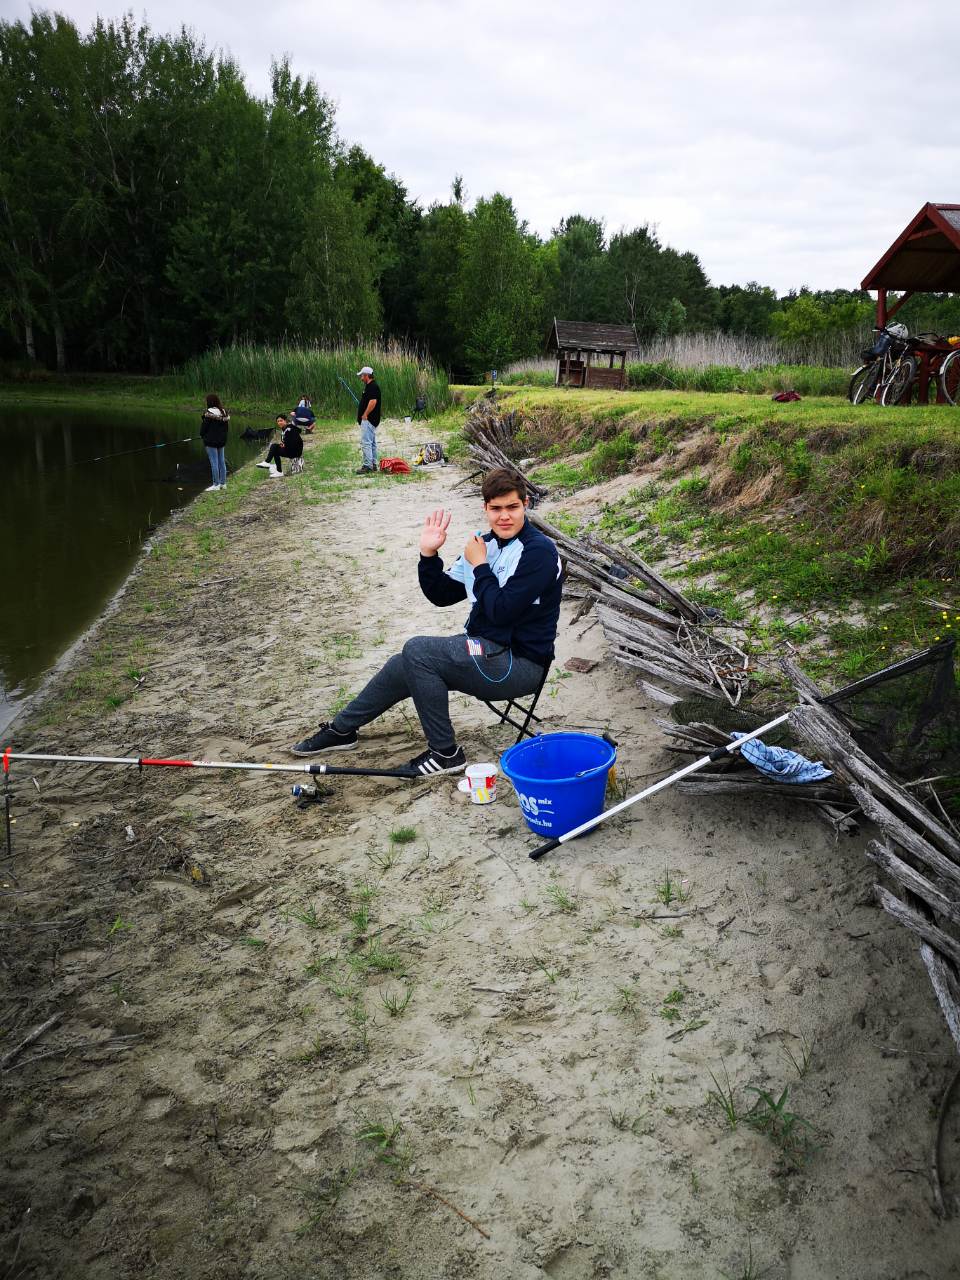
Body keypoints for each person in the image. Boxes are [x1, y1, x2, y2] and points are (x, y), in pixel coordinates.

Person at [292, 469, 563, 776]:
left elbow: (502, 612)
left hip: (519, 664)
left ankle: (446, 753)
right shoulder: (483, 543)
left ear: (525, 504)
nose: (504, 516)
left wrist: (480, 565)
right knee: (403, 662)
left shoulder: (539, 552)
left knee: (419, 651)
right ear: (485, 508)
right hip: (483, 650)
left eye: (512, 507)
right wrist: (429, 553)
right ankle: (342, 730)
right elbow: (441, 595)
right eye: (496, 508)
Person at [200, 393, 229, 491]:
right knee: (221, 462)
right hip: (221, 441)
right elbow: (226, 429)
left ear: (209, 402)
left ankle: (216, 485)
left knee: (214, 463)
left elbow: (203, 429)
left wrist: (203, 435)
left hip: (210, 442)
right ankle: (223, 484)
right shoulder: (224, 412)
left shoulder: (209, 413)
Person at [356, 365, 381, 474]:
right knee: (372, 443)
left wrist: (365, 414)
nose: (361, 378)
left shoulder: (372, 387)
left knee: (366, 443)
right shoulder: (370, 386)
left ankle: (368, 466)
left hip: (369, 419)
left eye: (362, 376)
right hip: (371, 419)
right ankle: (373, 464)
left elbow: (373, 402)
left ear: (366, 375)